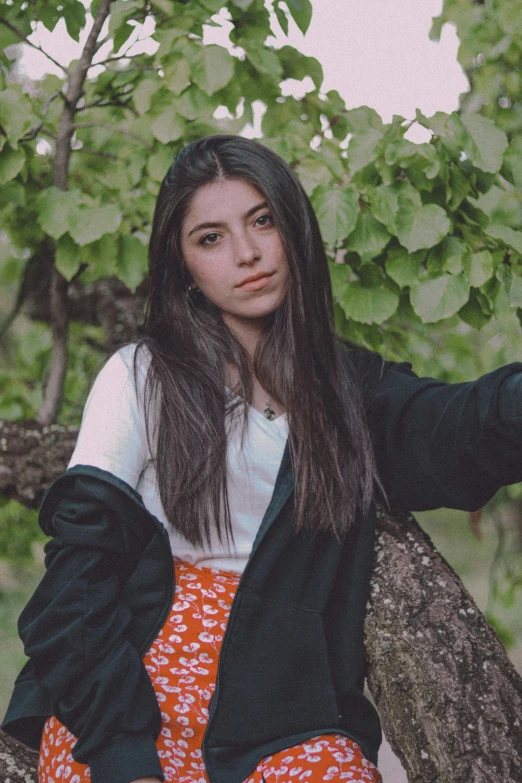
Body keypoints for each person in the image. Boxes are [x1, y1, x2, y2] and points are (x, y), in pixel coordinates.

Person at [2, 134, 522, 783]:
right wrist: (123, 754)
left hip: (285, 707)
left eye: (262, 220)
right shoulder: (141, 376)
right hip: (127, 688)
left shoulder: (350, 391)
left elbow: (461, 426)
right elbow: (72, 586)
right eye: (210, 237)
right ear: (182, 262)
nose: (247, 253)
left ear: (293, 227)